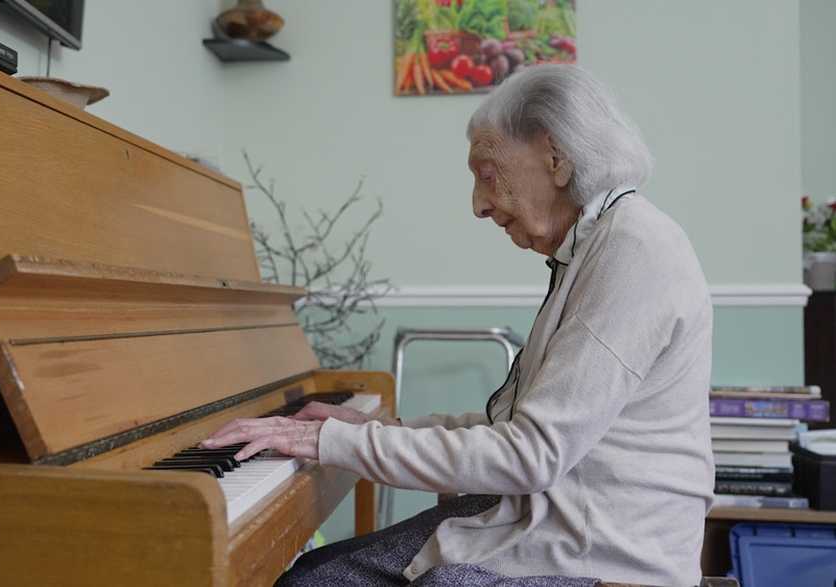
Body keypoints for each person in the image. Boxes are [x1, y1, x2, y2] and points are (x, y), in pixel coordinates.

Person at [203, 65, 714, 587]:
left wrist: (327, 441)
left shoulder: (633, 250)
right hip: (553, 521)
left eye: (487, 176)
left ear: (555, 156)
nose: (478, 204)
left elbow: (530, 454)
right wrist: (379, 432)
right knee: (314, 573)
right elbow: (516, 428)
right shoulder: (595, 244)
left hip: (607, 556)